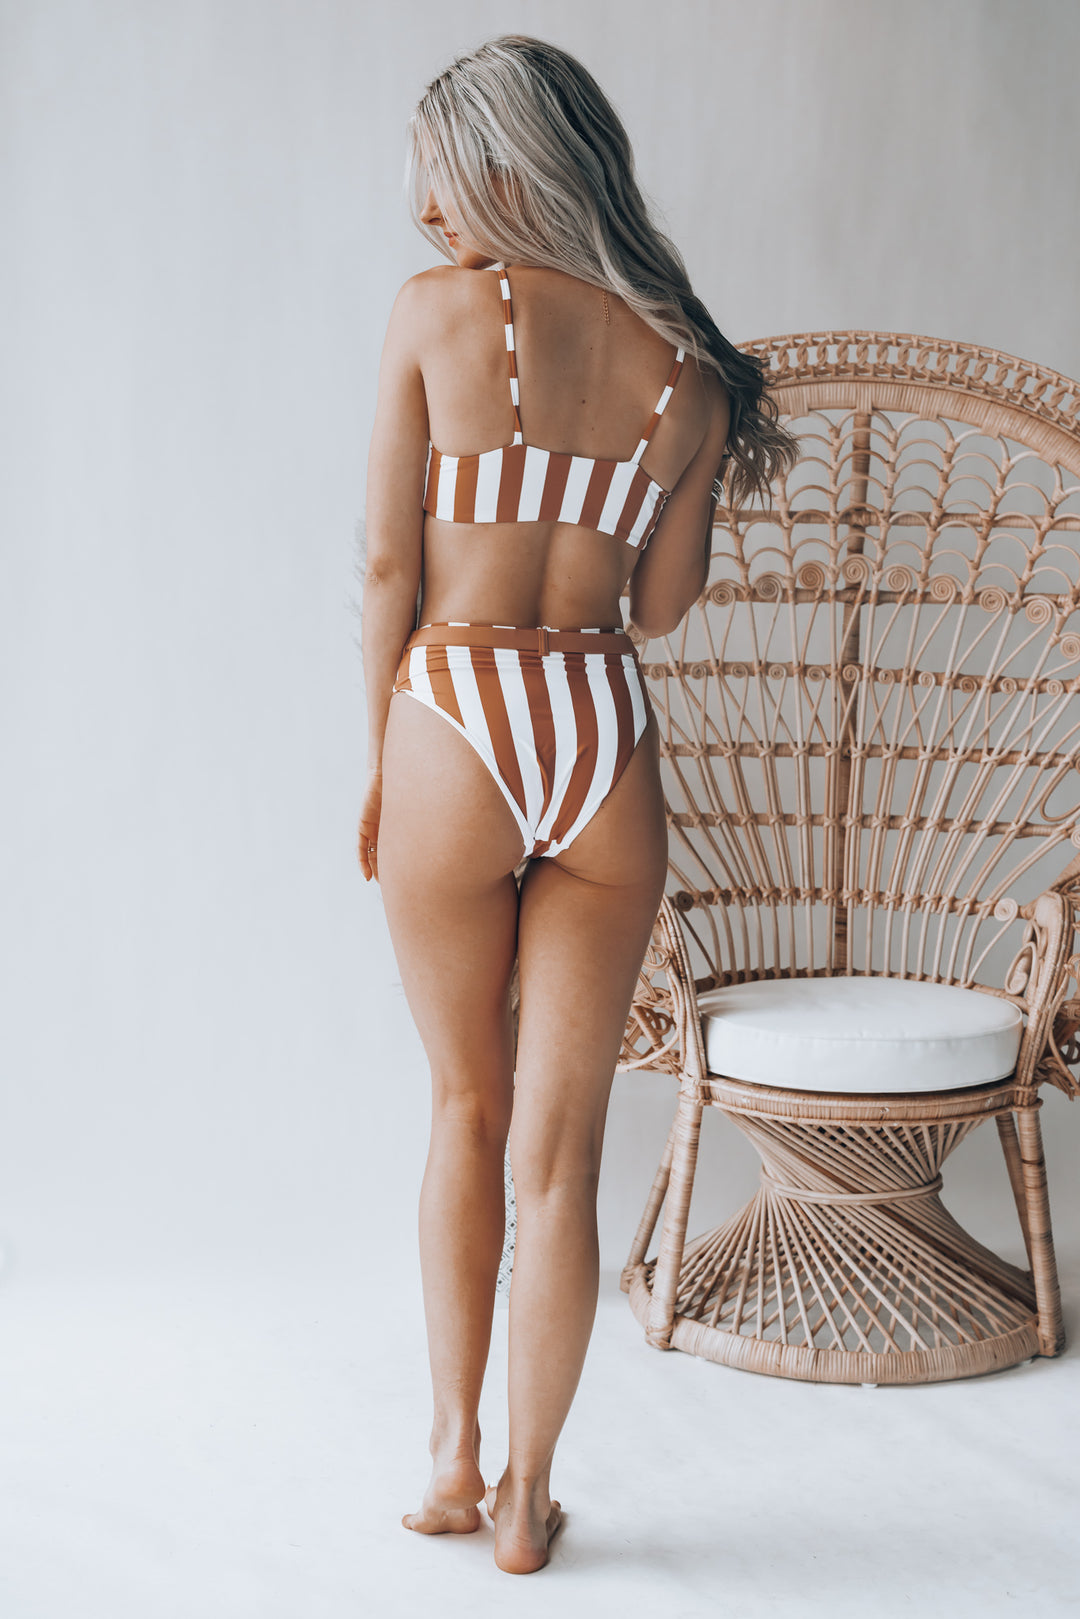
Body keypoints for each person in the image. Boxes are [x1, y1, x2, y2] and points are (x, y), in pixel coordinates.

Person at [358, 34, 799, 1575]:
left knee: (464, 1110)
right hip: (600, 729)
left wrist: (381, 764)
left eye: (441, 175)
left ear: (511, 161)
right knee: (560, 1152)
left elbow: (389, 569)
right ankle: (529, 1501)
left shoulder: (432, 316)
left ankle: (451, 1459)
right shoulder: (691, 372)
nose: (427, 213)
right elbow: (658, 610)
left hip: (457, 711)